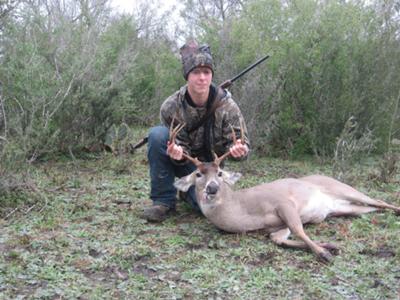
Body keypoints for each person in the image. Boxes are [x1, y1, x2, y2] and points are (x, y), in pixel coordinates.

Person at [143, 40, 250, 222]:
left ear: (211, 76)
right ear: (187, 76)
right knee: (157, 135)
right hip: (187, 166)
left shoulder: (228, 107)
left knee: (207, 210)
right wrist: (177, 153)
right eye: (196, 72)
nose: (202, 78)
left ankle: (187, 193)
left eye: (206, 72)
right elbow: (175, 145)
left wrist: (239, 150)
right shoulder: (171, 106)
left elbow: (242, 147)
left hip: (211, 171)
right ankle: (163, 202)